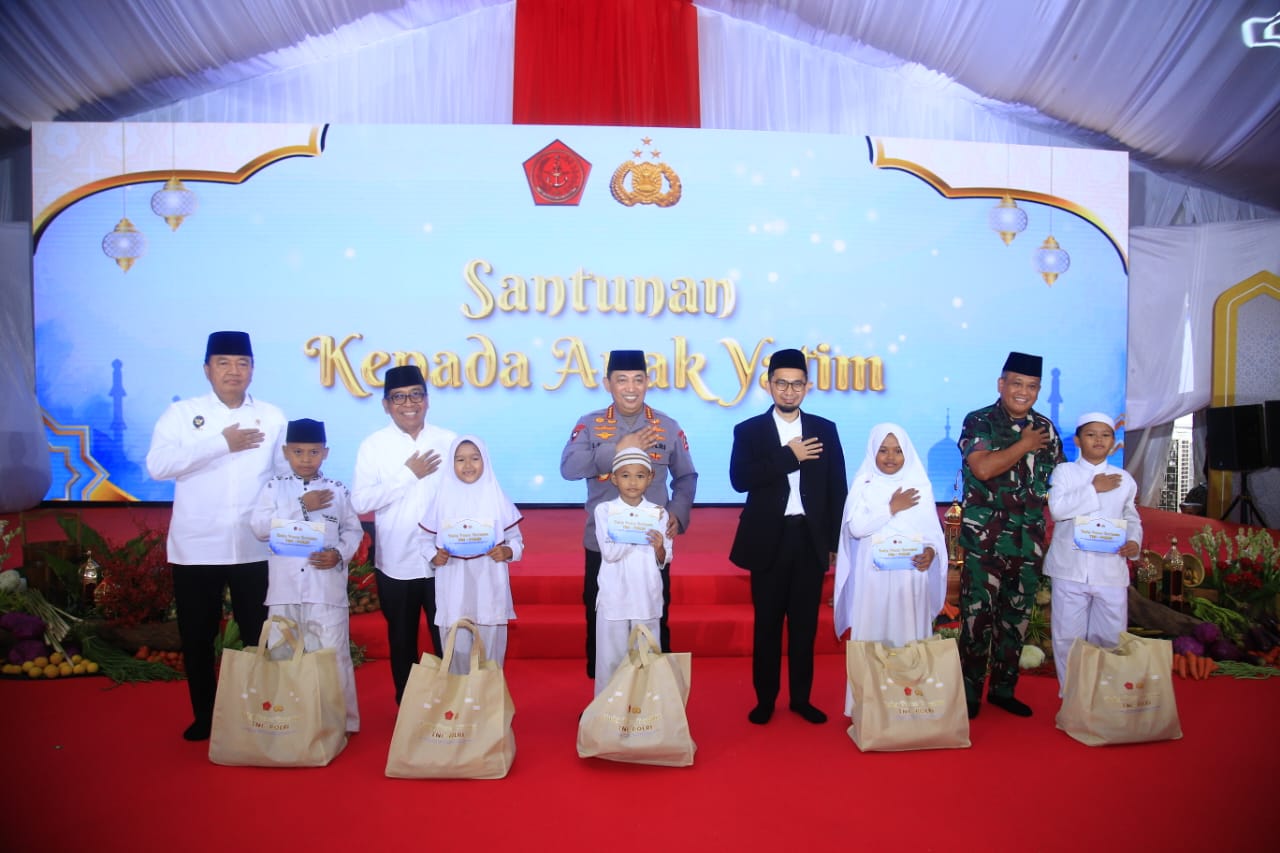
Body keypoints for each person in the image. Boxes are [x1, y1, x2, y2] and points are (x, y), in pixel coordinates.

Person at [145, 330, 287, 741]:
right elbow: (158, 466)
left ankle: (266, 711)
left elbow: (283, 477)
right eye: (223, 363)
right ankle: (205, 715)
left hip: (254, 548)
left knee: (260, 633)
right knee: (198, 636)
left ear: (253, 369)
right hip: (196, 547)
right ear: (207, 369)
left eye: (242, 363)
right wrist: (220, 444)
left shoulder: (272, 417)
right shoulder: (182, 414)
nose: (233, 371)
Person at [560, 349, 697, 679]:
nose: (631, 388)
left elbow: (686, 477)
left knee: (654, 615)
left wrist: (678, 512)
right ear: (607, 384)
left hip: (652, 544)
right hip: (603, 545)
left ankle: (653, 689)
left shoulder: (667, 426)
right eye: (621, 380)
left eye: (638, 380)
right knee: (601, 618)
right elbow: (569, 468)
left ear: (648, 382)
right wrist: (619, 447)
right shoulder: (590, 424)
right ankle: (605, 695)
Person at [729, 347, 847, 725]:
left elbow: (837, 488)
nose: (789, 391)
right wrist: (789, 456)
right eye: (782, 383)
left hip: (808, 539)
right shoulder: (749, 430)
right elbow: (739, 479)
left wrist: (834, 543)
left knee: (804, 627)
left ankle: (801, 699)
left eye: (797, 384)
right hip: (769, 539)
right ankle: (765, 700)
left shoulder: (825, 429)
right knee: (767, 625)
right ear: (768, 385)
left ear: (808, 387)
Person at [957, 350, 1065, 719]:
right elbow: (983, 469)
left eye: (1032, 386)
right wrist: (1023, 445)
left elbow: (1061, 479)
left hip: (1027, 541)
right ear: (1001, 384)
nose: (1024, 392)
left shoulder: (1046, 428)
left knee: (1015, 620)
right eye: (1017, 383)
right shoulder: (980, 421)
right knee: (976, 621)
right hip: (984, 543)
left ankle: (1004, 690)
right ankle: (968, 694)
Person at [249, 418, 364, 732]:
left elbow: (353, 531)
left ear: (325, 453)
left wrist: (338, 553)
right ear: (286, 452)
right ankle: (287, 719)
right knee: (282, 654)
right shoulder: (274, 488)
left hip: (324, 589)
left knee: (332, 656)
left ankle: (341, 723)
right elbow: (259, 528)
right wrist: (300, 505)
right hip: (284, 589)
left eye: (313, 452)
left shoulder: (337, 490)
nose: (305, 459)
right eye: (298, 452)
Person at [351, 365, 456, 704]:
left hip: (445, 562)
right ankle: (409, 710)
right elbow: (361, 502)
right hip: (397, 563)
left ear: (427, 400)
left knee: (449, 640)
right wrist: (408, 475)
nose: (408, 403)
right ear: (386, 405)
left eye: (415, 395)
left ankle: (454, 710)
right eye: (398, 397)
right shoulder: (373, 446)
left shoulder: (449, 441)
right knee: (402, 641)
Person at [833, 423, 947, 713]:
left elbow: (932, 534)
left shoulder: (919, 485)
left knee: (909, 640)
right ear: (873, 452)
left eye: (897, 451)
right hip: (873, 581)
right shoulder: (864, 485)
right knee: (874, 638)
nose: (890, 457)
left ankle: (910, 708)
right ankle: (869, 709)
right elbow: (857, 528)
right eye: (883, 450)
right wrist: (891, 507)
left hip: (910, 581)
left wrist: (931, 552)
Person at [1043, 412, 1142, 690]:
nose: (1099, 440)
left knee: (1111, 636)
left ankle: (1105, 696)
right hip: (1069, 569)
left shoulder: (1124, 479)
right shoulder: (1065, 472)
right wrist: (1093, 488)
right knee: (1067, 638)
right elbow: (1058, 510)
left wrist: (1134, 541)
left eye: (1105, 435)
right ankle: (1072, 695)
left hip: (1110, 570)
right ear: (1077, 440)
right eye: (1091, 434)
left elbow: (1131, 516)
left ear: (1113, 441)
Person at [420, 434, 522, 674]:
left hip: (489, 583)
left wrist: (507, 551)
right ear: (451, 463)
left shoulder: (496, 496)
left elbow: (517, 540)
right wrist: (434, 555)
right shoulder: (442, 497)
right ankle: (458, 698)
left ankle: (489, 697)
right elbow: (424, 540)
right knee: (456, 651)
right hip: (453, 584)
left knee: (490, 654)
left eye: (475, 458)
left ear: (485, 460)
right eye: (460, 459)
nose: (468, 465)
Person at [592, 447, 672, 696]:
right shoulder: (604, 511)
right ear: (614, 478)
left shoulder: (658, 513)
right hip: (614, 596)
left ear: (650, 478)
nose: (633, 482)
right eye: (625, 475)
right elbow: (609, 553)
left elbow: (666, 557)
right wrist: (635, 529)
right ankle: (608, 710)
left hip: (645, 595)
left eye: (640, 475)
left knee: (646, 657)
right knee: (610, 660)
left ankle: (644, 710)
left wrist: (659, 547)